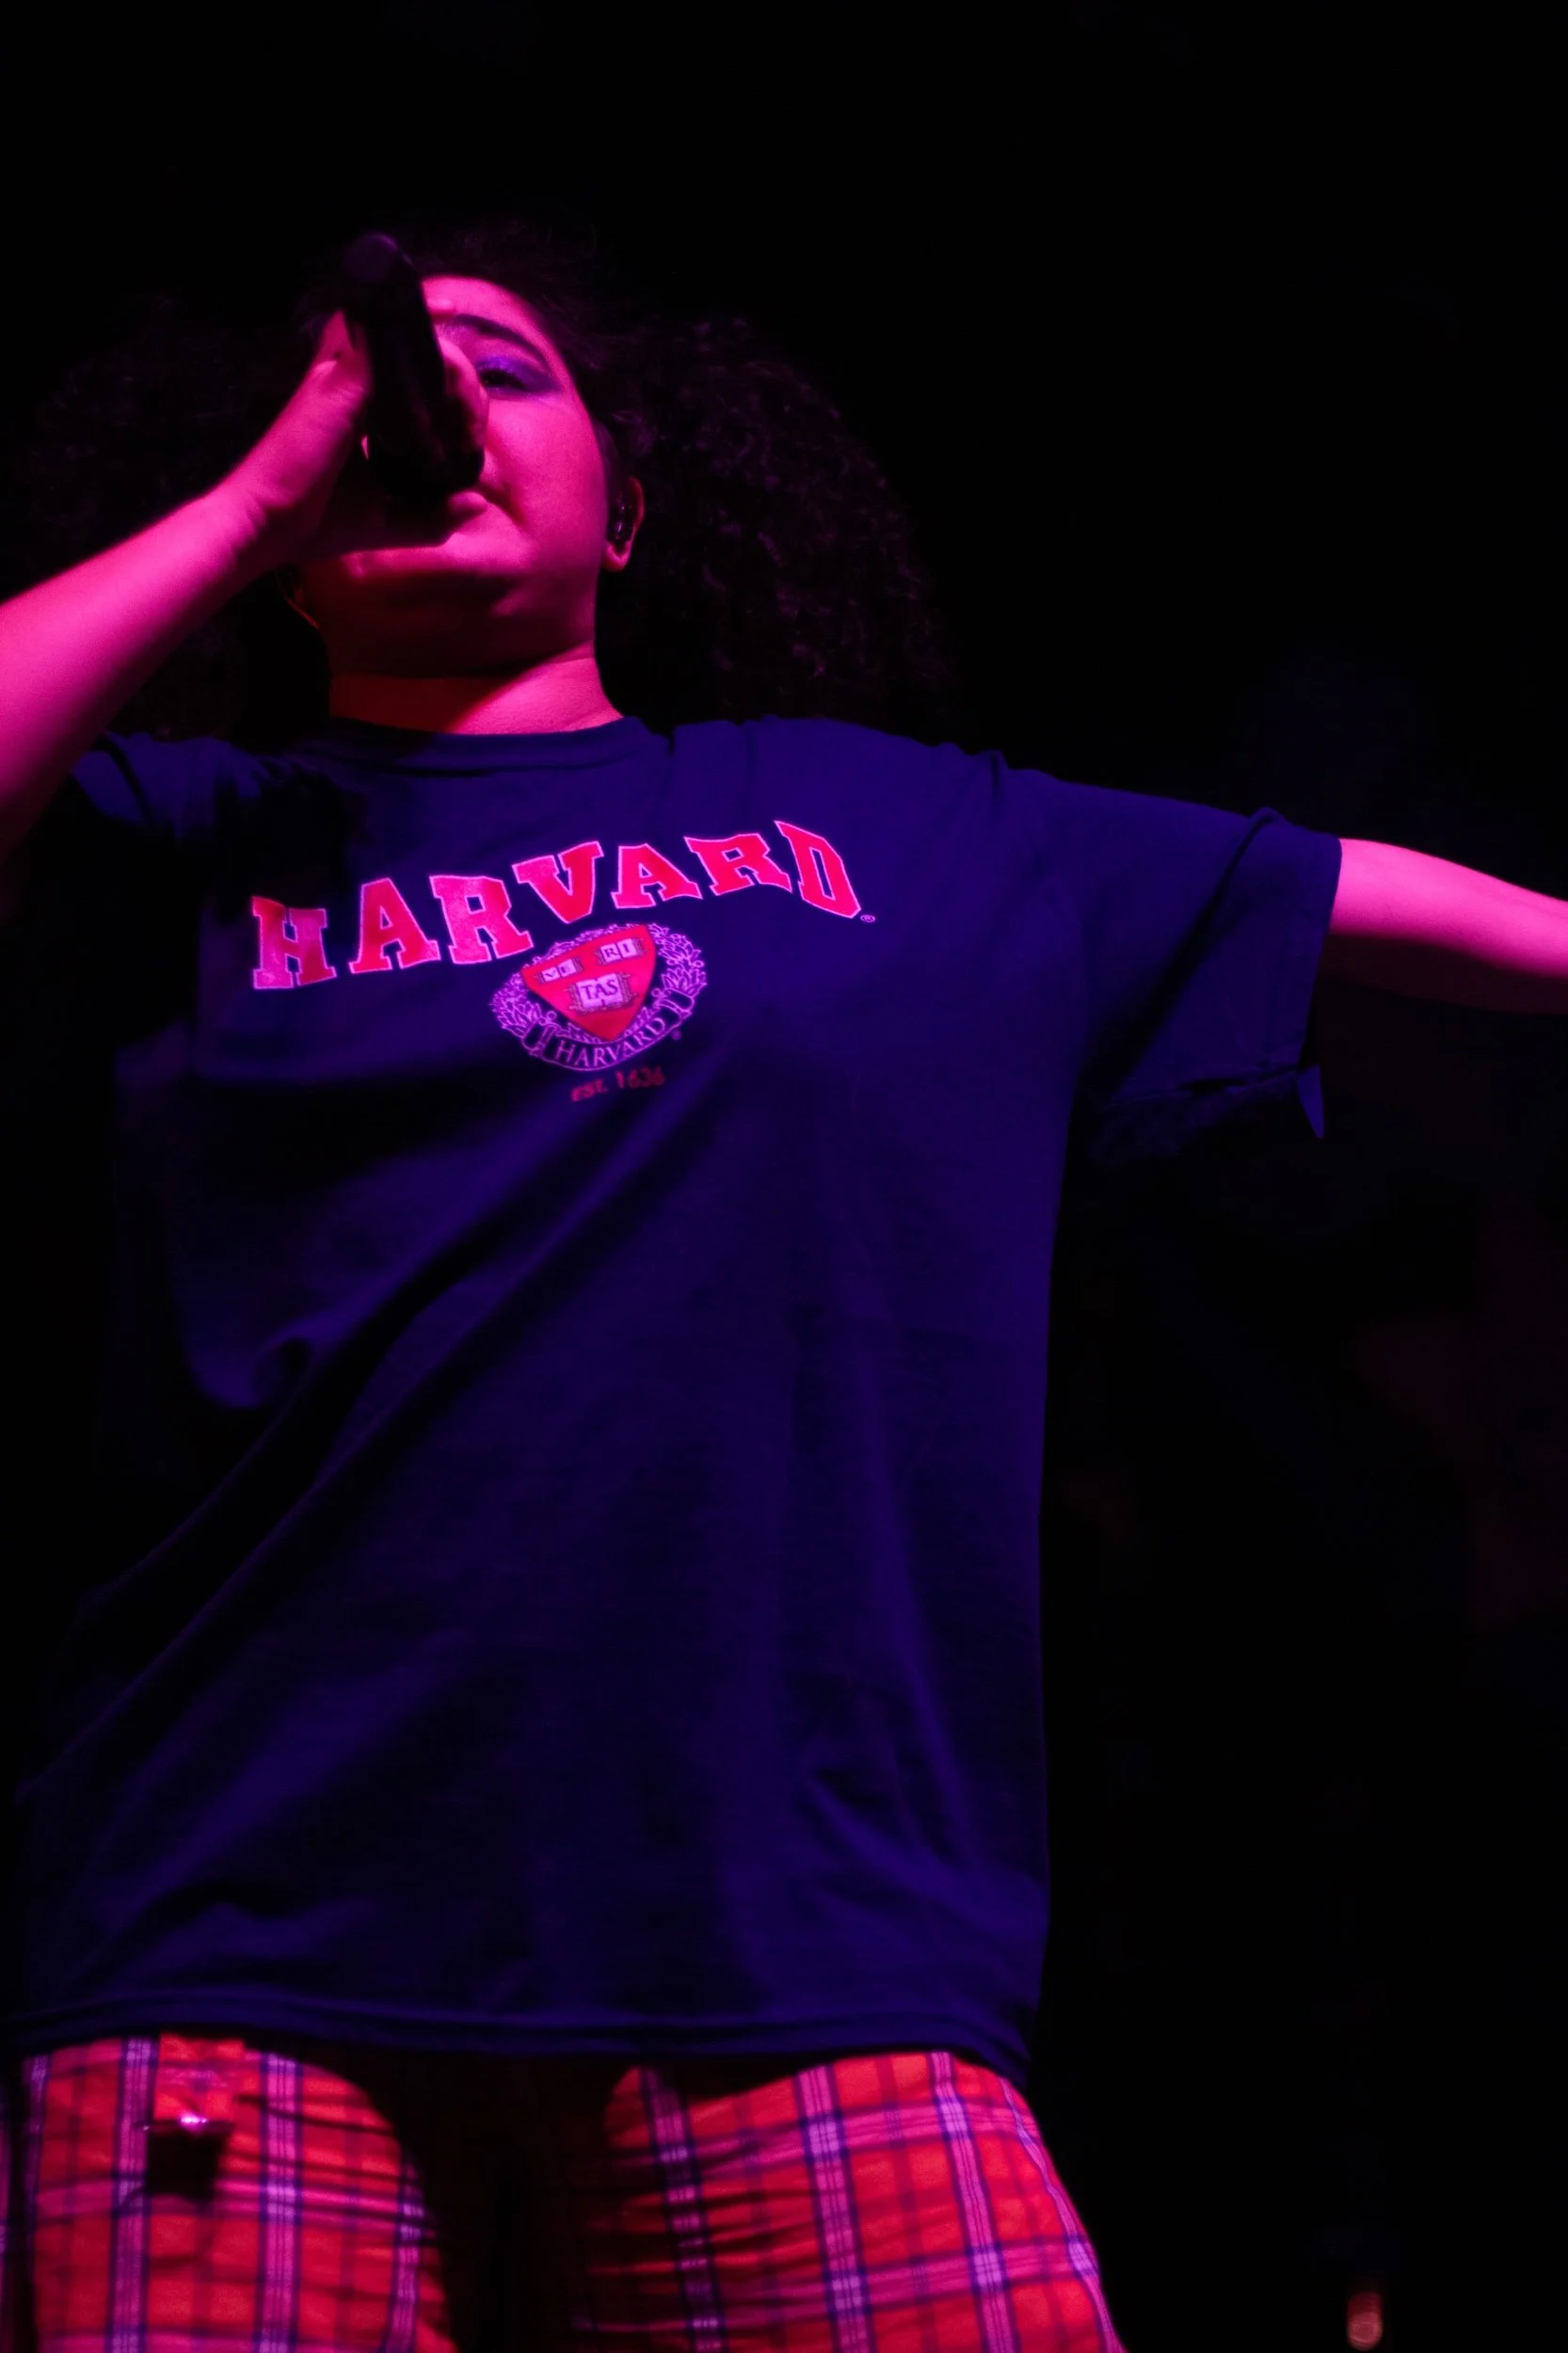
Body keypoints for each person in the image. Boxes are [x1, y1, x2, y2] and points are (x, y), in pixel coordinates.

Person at [0, 223, 1563, 2353]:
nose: (426, 410)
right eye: (367, 386)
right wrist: (257, 496)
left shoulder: (903, 833)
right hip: (235, 1950)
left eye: (500, 373)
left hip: (805, 1965)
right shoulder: (176, 839)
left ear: (627, 513)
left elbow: (1409, 905)